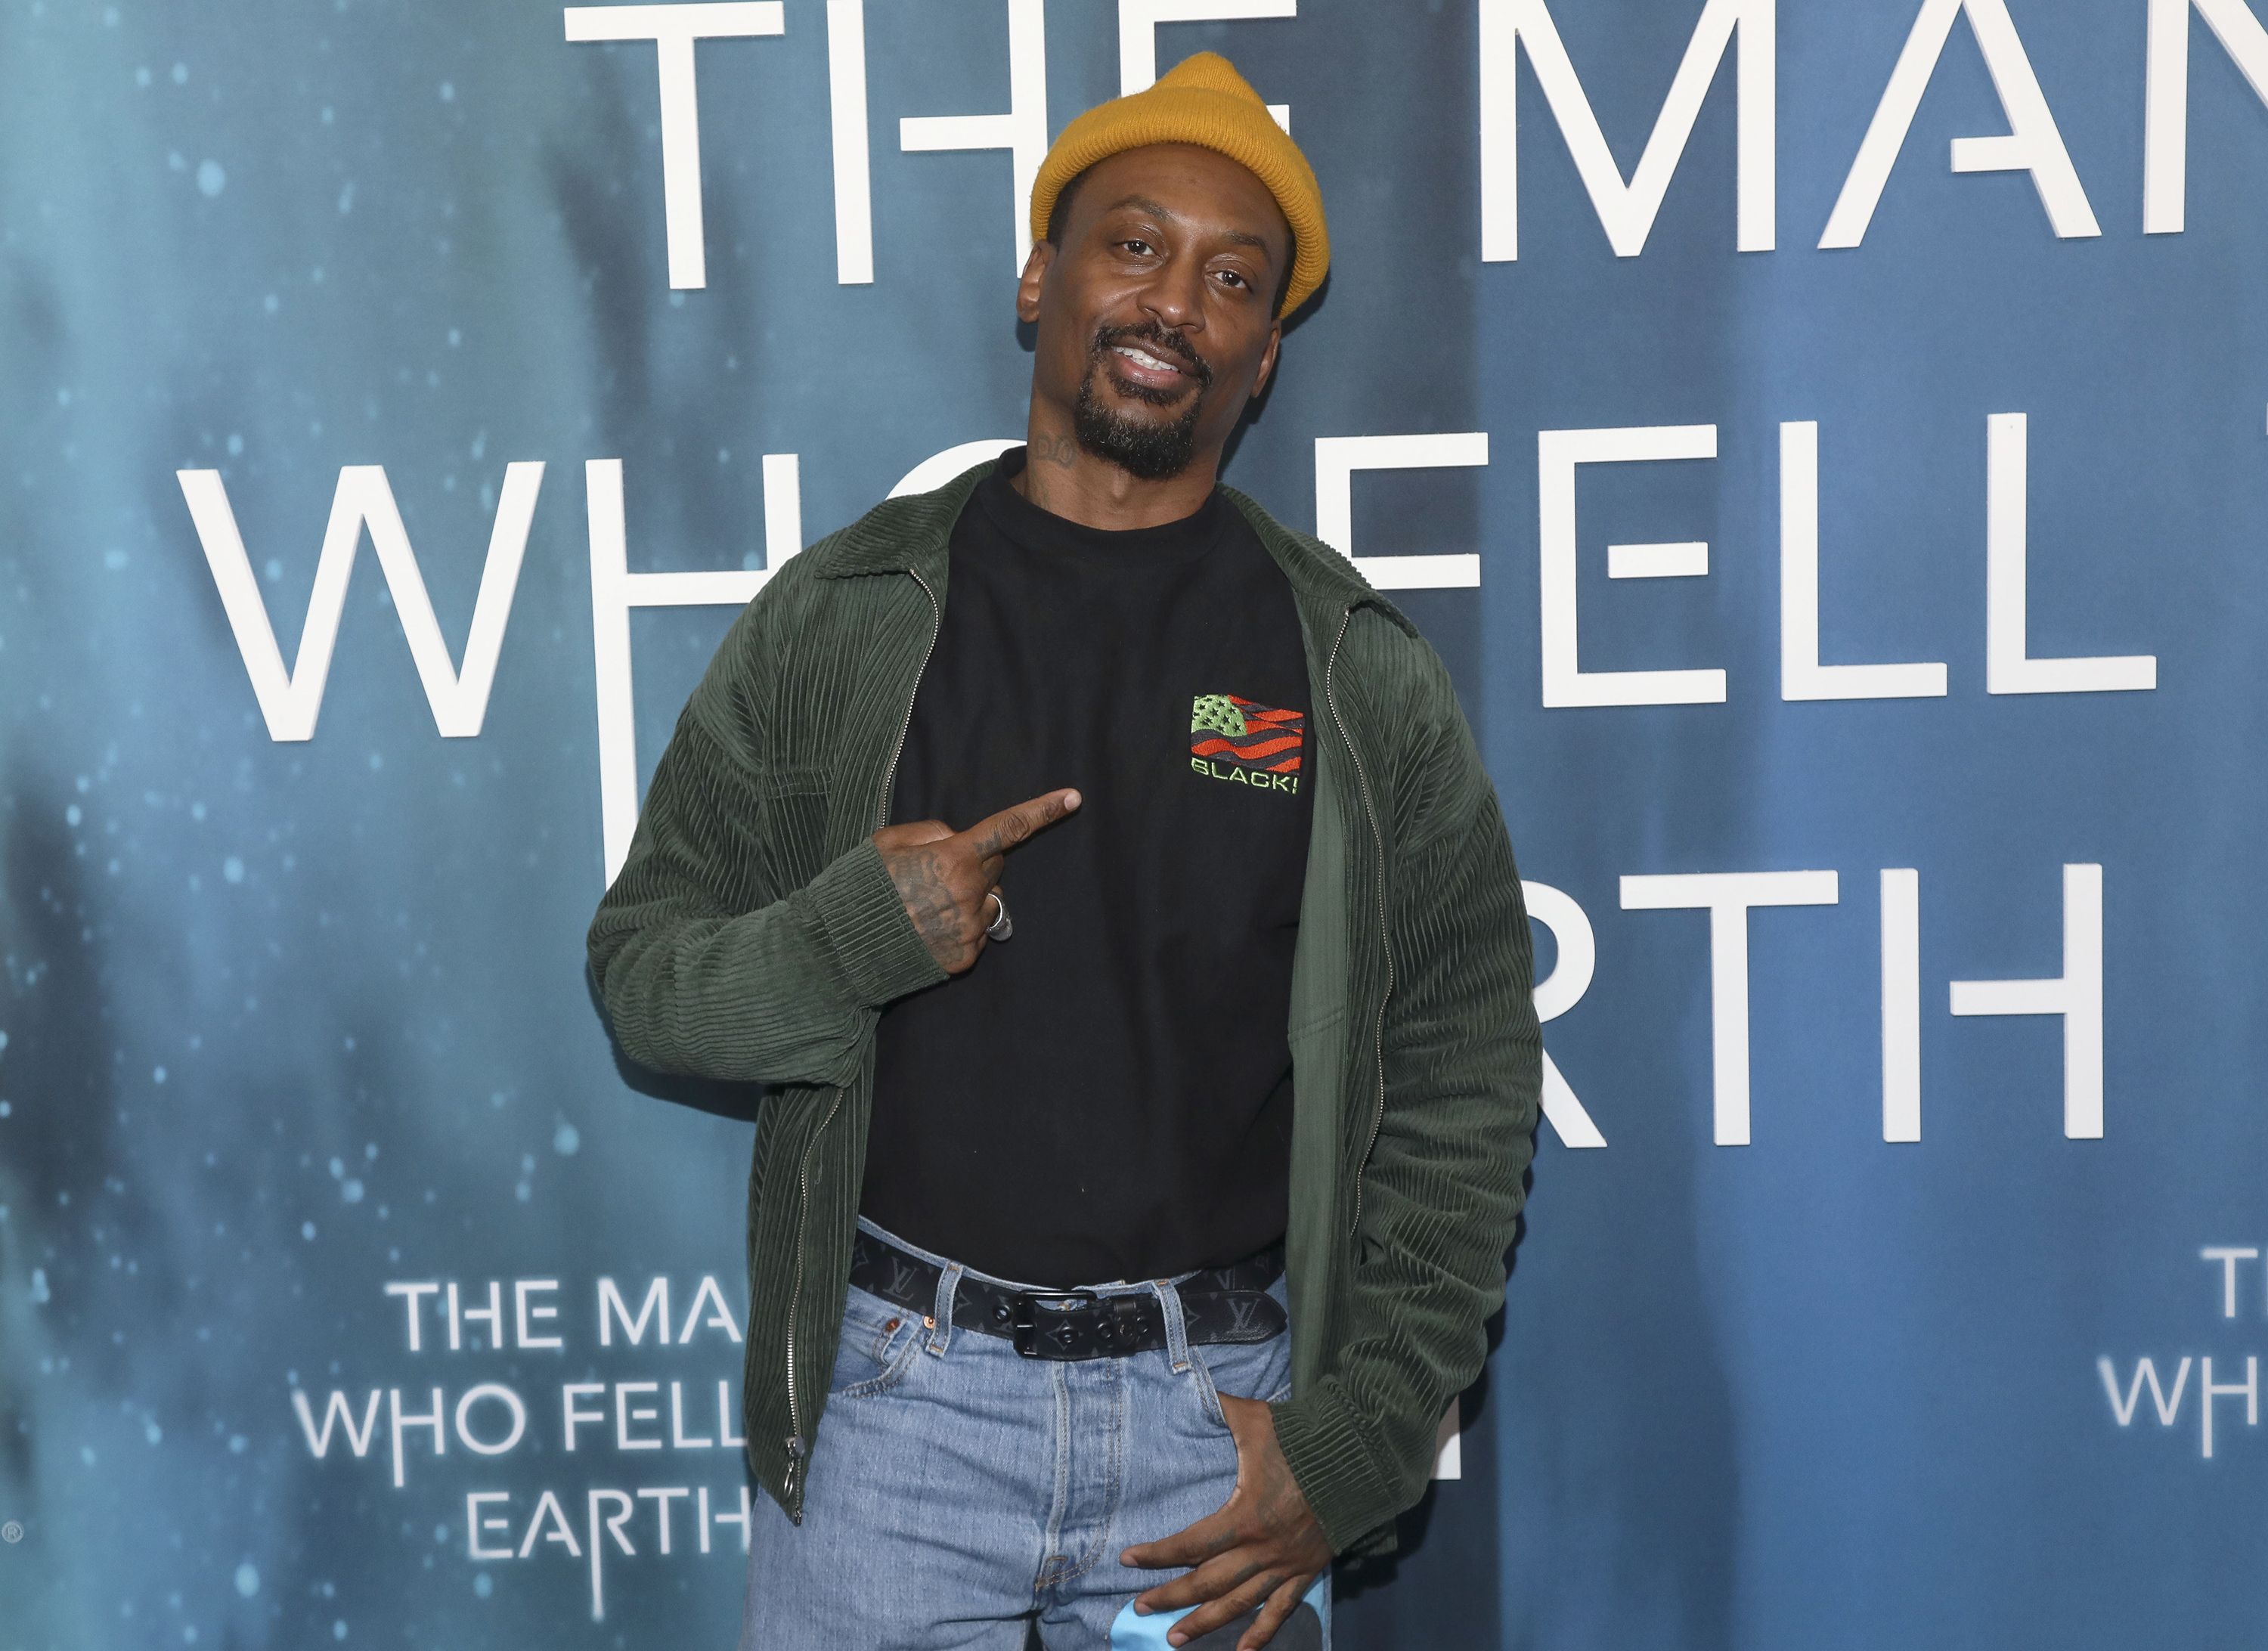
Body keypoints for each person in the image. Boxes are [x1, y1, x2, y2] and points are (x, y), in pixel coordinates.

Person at [587, 51, 1539, 1651]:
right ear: (1042, 280)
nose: (1175, 300)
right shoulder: (842, 621)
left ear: (1264, 358)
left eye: (1234, 279)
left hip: (1211, 1436)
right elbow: (645, 982)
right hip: (893, 1423)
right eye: (1135, 244)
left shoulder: (1353, 671)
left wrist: (1357, 1439)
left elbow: (1462, 1080)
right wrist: (848, 940)